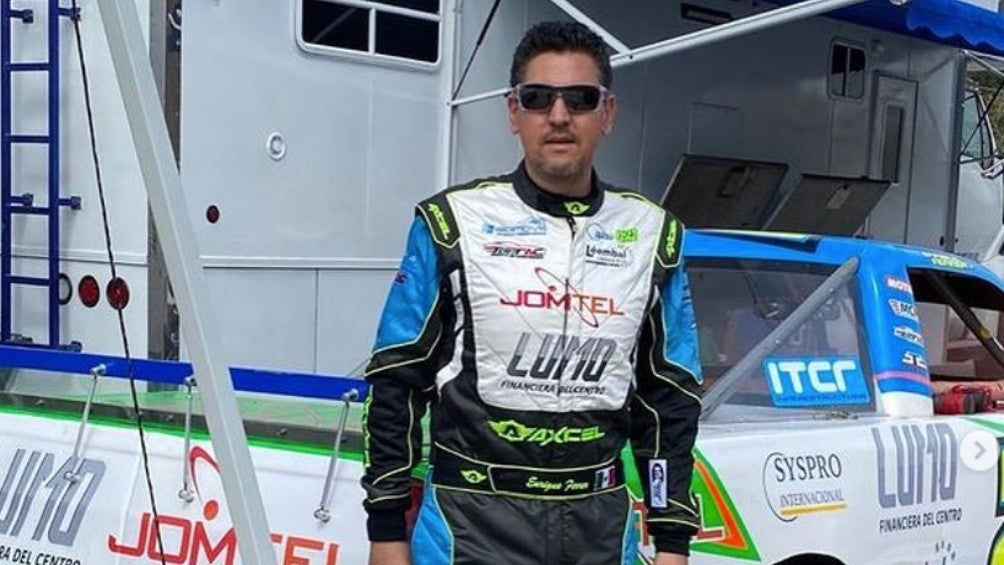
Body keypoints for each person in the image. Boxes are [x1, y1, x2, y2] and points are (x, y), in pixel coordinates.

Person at [361, 20, 703, 565]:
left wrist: (672, 541)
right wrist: (386, 531)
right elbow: (396, 382)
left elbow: (670, 400)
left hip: (600, 526)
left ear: (608, 113)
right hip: (470, 525)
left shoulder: (652, 234)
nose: (559, 115)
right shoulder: (451, 223)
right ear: (513, 112)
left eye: (580, 99)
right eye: (538, 98)